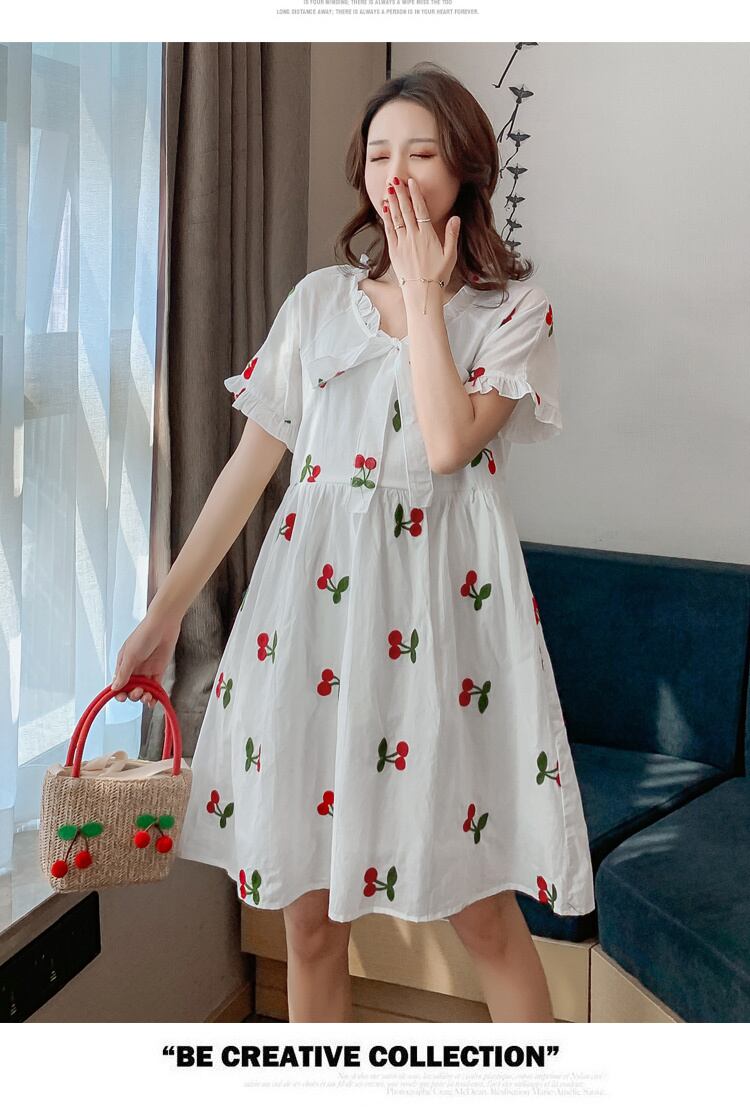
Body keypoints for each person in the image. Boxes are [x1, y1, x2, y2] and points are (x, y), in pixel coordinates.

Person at [110, 62, 595, 1023]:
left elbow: (448, 444)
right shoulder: (317, 303)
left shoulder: (514, 310)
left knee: (483, 913)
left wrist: (422, 294)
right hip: (312, 623)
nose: (395, 175)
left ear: (465, 169)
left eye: (420, 153)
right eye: (378, 155)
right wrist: (164, 616)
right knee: (308, 921)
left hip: (440, 631)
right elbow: (248, 470)